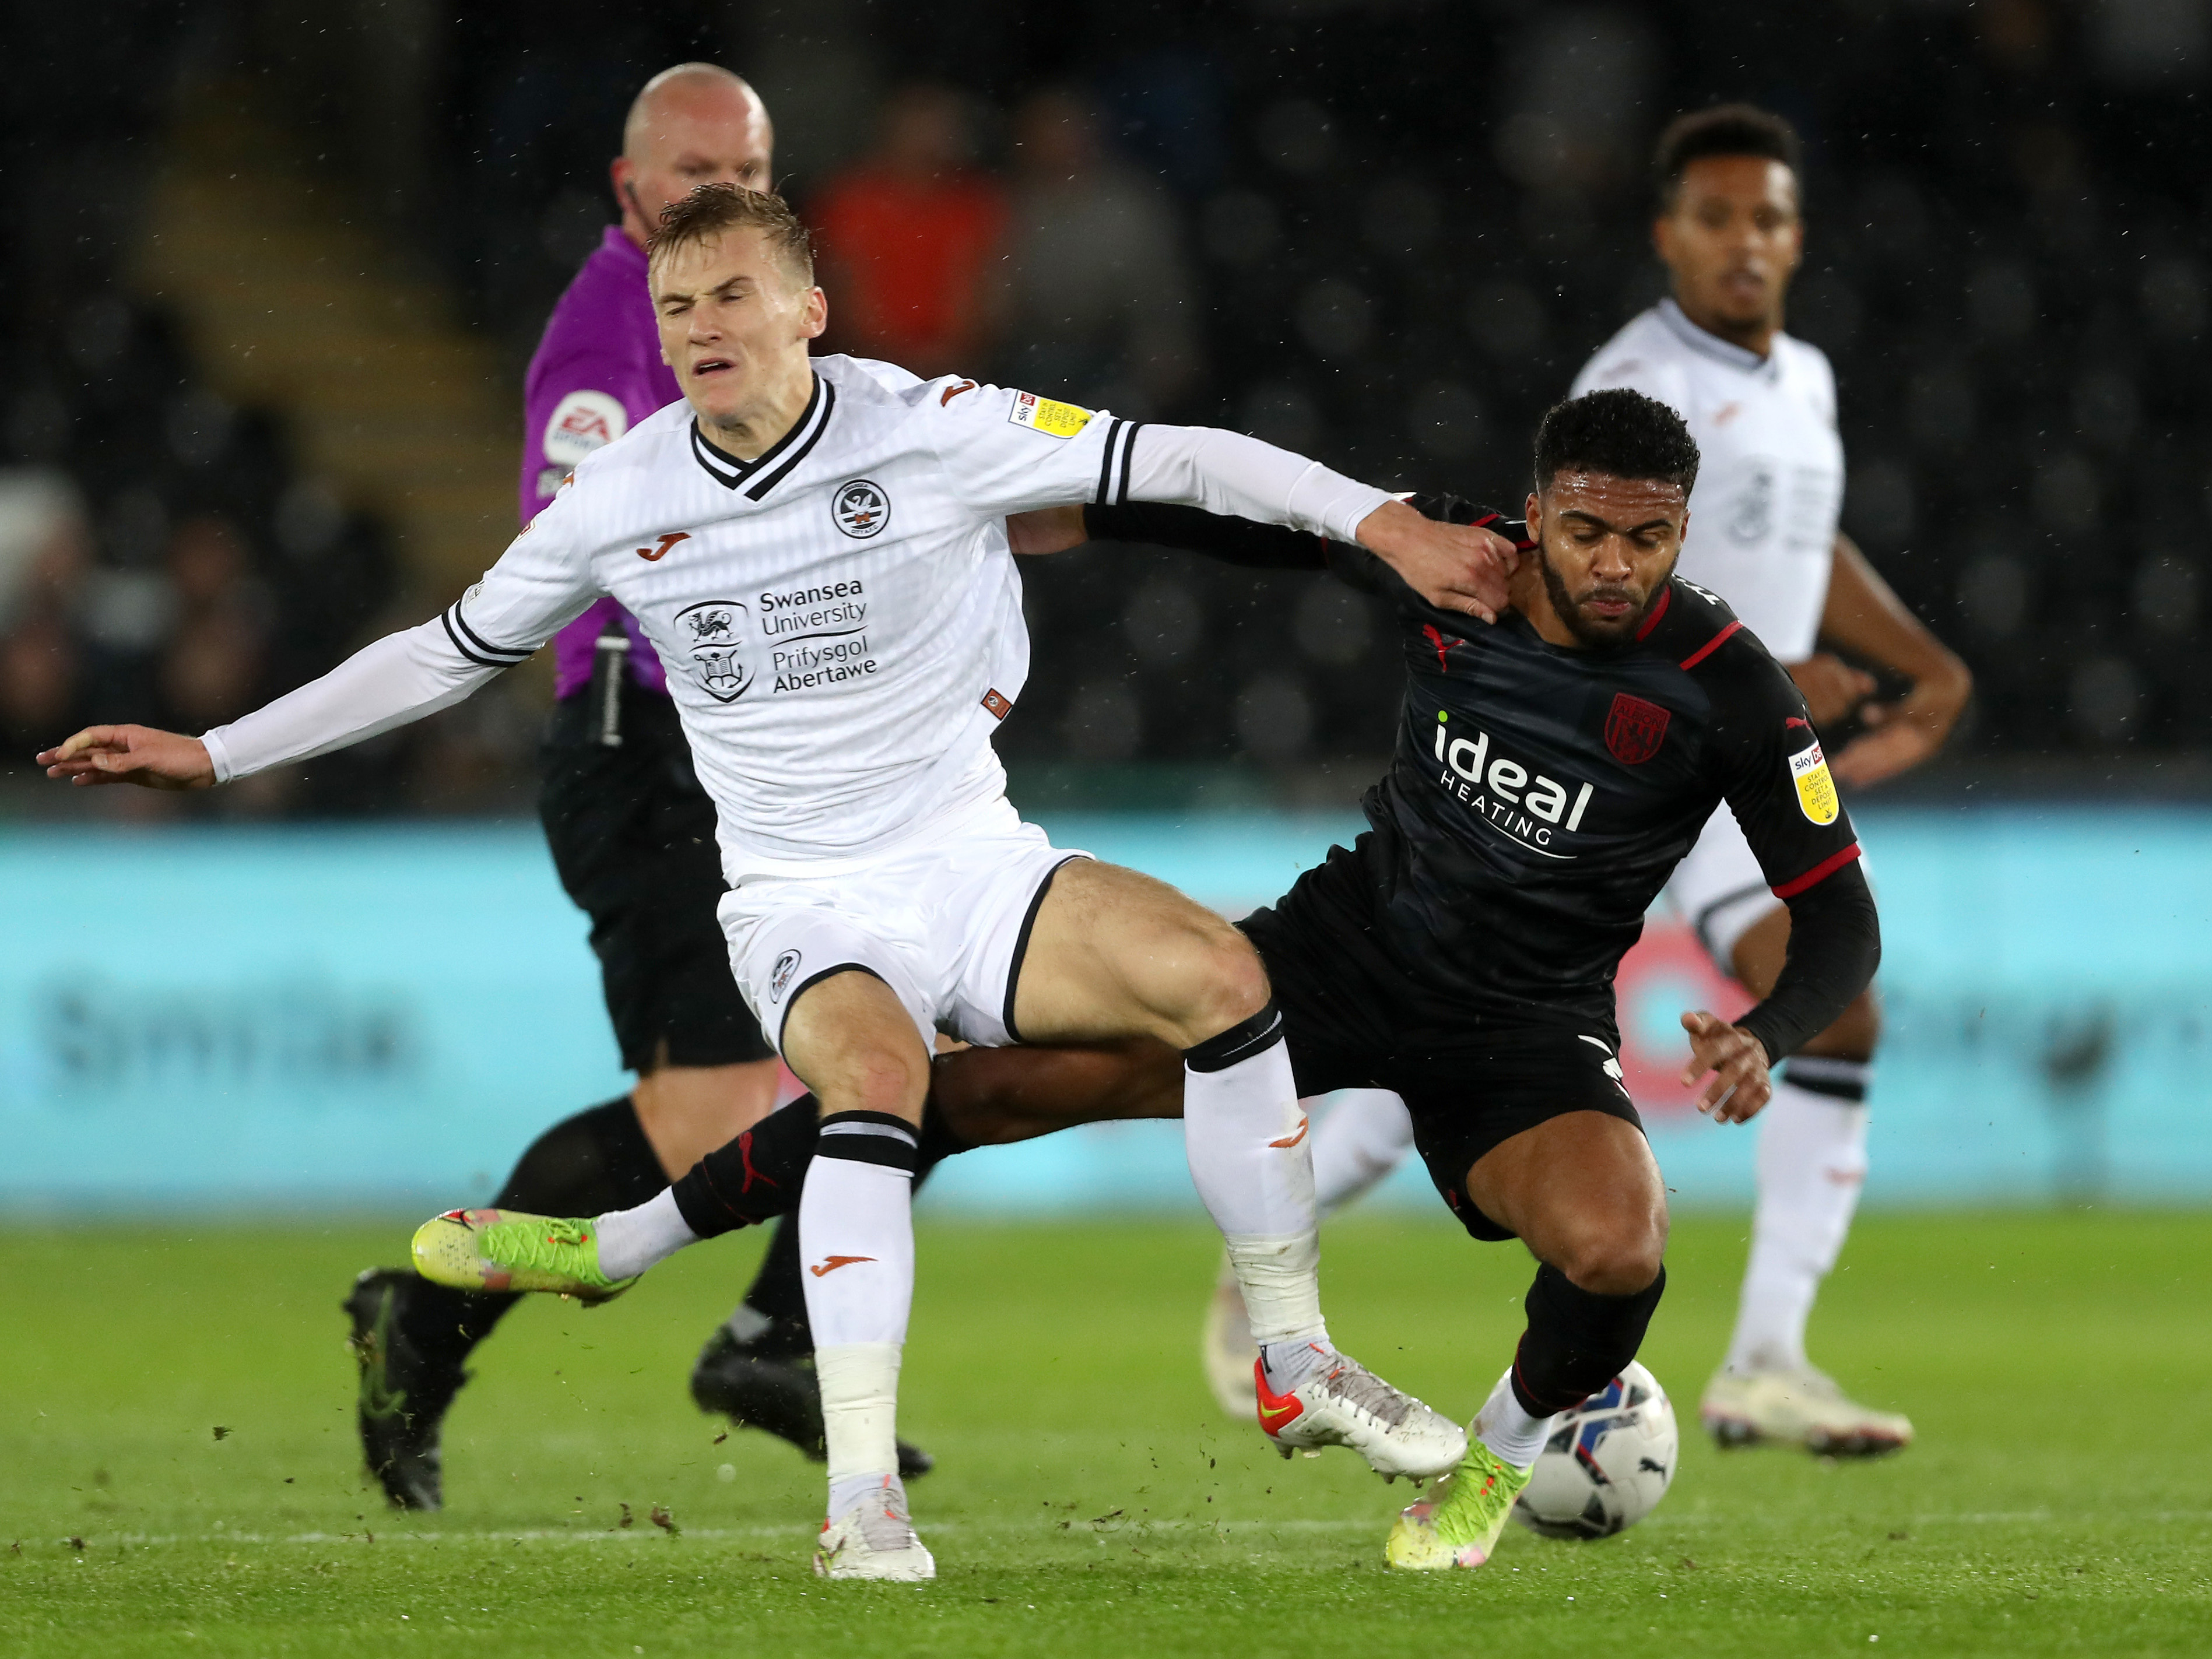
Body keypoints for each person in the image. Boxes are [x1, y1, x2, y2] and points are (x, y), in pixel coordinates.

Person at [43, 182, 1514, 1580]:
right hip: (802, 895)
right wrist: (219, 749)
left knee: (1223, 978)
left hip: (973, 858)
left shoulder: (930, 425)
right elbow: (448, 646)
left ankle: (1293, 1353)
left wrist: (1380, 518)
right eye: (678, 300)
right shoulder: (618, 493)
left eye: (732, 291)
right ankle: (859, 1500)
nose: (698, 323)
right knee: (881, 1080)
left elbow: (1179, 456)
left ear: (809, 307)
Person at [446, 389, 1883, 1574]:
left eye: (1647, 536)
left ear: (1683, 527)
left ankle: (1493, 1472)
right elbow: (1255, 523)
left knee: (1622, 1243)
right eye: (1585, 528)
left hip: (1526, 1025)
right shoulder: (1461, 563)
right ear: (1541, 506)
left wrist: (1768, 1027)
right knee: (975, 1093)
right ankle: (623, 1241)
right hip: (1344, 951)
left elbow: (1842, 926)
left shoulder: (1734, 691)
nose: (1614, 562)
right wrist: (1066, 514)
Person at [1213, 104, 1968, 1459]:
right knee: (1479, 1017)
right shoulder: (1645, 381)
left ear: (1800, 237)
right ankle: (1754, 1356)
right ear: (1668, 232)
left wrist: (1912, 658)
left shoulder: (1801, 379)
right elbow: (1606, 593)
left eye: (1772, 219)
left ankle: (1758, 1357)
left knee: (1557, 1037)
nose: (1748, 243)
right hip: (1631, 752)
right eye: (1720, 217)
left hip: (1710, 754)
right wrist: (1787, 672)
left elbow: (1801, 535)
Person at [334, 63, 921, 1515]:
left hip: (758, 751)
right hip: (647, 751)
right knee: (711, 1111)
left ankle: (776, 1332)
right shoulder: (611, 345)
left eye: (750, 172)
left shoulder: (750, 319)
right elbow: (593, 558)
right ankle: (427, 1315)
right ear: (626, 191)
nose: (719, 198)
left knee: (924, 1019)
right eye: (689, 173)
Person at [809, 83, 1007, 377]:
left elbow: (981, 290)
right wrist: (892, 362)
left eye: (937, 129)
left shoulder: (976, 202)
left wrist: (946, 358)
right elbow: (845, 290)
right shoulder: (849, 199)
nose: (927, 140)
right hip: (866, 367)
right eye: (916, 128)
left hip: (960, 368)